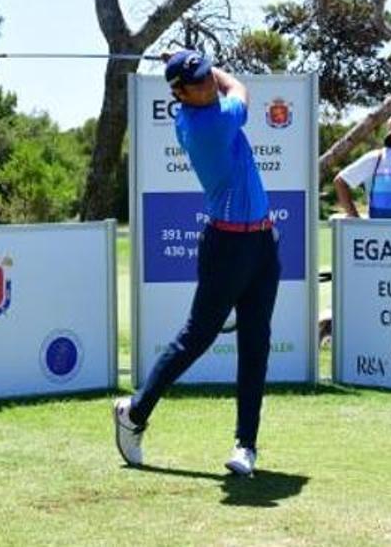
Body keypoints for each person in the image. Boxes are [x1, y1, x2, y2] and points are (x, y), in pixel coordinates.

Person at [113, 50, 280, 476]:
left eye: (208, 77)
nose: (208, 84)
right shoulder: (210, 122)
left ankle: (246, 445)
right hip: (227, 245)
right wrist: (215, 68)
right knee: (197, 337)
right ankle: (134, 413)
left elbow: (220, 86)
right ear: (180, 93)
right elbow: (239, 88)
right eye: (198, 82)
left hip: (262, 242)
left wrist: (190, 61)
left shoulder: (196, 109)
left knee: (256, 343)